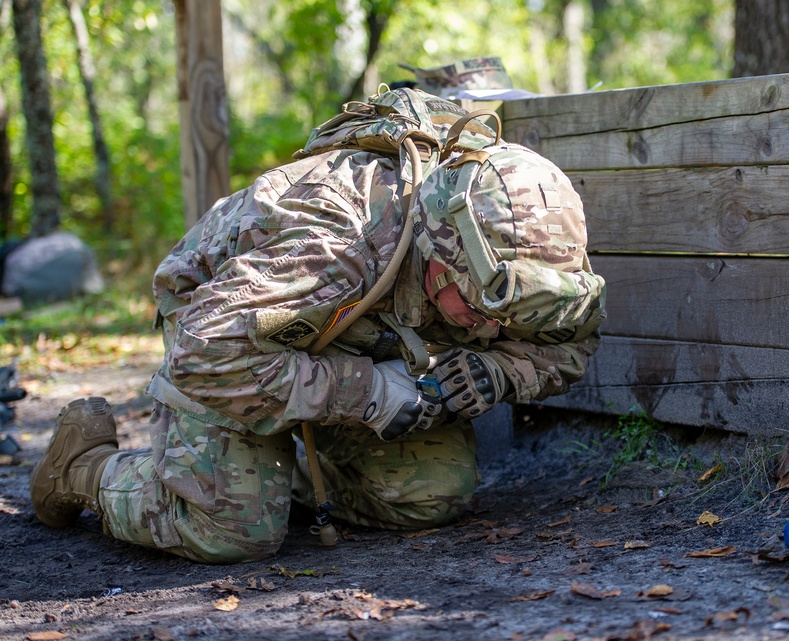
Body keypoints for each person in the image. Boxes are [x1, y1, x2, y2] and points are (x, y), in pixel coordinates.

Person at [29, 88, 606, 564]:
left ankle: (275, 475)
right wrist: (373, 392)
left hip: (342, 343)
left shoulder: (525, 252)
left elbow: (567, 345)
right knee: (230, 530)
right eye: (476, 309)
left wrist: (497, 371)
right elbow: (206, 355)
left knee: (427, 494)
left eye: (505, 315)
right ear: (434, 255)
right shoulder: (335, 243)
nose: (487, 326)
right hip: (230, 336)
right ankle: (85, 468)